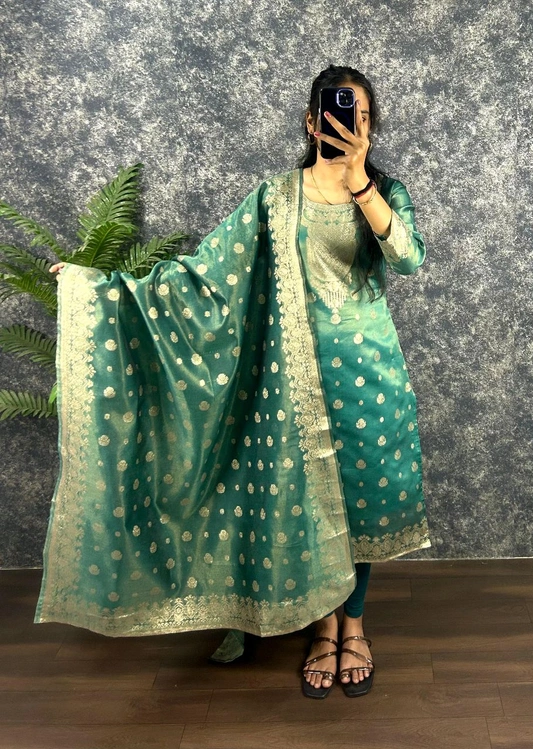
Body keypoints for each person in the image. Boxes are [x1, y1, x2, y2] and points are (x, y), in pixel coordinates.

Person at [42, 64, 431, 700]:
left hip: (368, 371)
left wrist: (361, 182)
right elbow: (204, 275)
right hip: (289, 379)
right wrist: (100, 288)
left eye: (360, 115)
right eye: (338, 112)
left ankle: (355, 623)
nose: (349, 124)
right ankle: (324, 626)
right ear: (312, 122)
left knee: (360, 501)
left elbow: (408, 258)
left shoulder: (387, 191)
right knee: (308, 500)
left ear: (370, 126)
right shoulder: (274, 197)